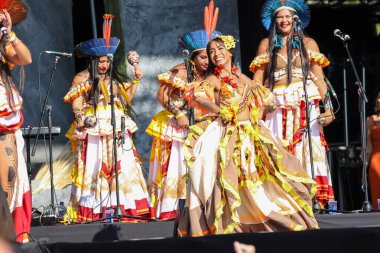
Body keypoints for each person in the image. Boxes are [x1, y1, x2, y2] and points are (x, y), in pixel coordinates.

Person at [177, 35, 318, 236]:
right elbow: (198, 96)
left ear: (230, 52)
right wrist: (219, 110)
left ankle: (271, 221)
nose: (216, 54)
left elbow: (265, 99)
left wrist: (261, 109)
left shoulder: (241, 77)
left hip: (252, 131)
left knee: (270, 179)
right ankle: (237, 225)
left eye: (220, 49)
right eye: (211, 52)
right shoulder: (214, 78)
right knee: (230, 179)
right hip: (229, 133)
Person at [65, 14, 152, 222]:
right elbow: (76, 103)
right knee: (95, 165)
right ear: (93, 60)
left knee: (124, 163)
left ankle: (124, 206)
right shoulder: (82, 78)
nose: (104, 65)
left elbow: (126, 100)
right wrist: (80, 120)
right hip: (94, 125)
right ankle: (97, 209)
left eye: (107, 61)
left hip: (116, 123)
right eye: (101, 61)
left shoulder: (112, 79)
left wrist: (136, 81)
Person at [250, 0, 335, 207]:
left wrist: (329, 109)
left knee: (309, 149)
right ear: (274, 20)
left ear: (296, 19)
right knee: (278, 151)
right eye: (280, 17)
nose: (284, 20)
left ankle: (314, 200)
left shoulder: (309, 44)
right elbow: (257, 83)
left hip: (305, 102)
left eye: (288, 16)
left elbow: (319, 78)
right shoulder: (266, 44)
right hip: (276, 105)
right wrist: (259, 106)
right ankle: (282, 203)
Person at [146, 0, 221, 220]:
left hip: (205, 126)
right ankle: (175, 211)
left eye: (209, 55)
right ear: (193, 57)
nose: (207, 61)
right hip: (179, 127)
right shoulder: (180, 71)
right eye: (202, 57)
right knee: (178, 168)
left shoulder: (215, 75)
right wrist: (179, 114)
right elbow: (162, 96)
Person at [0, 5, 32, 242]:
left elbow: (25, 58)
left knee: (9, 177)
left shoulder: (3, 45)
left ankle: (9, 235)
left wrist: (9, 33)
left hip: (4, 124)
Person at [366, 91, 380, 208]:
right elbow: (368, 146)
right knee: (376, 194)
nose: (379, 100)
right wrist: (363, 171)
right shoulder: (370, 120)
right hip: (376, 162)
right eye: (378, 98)